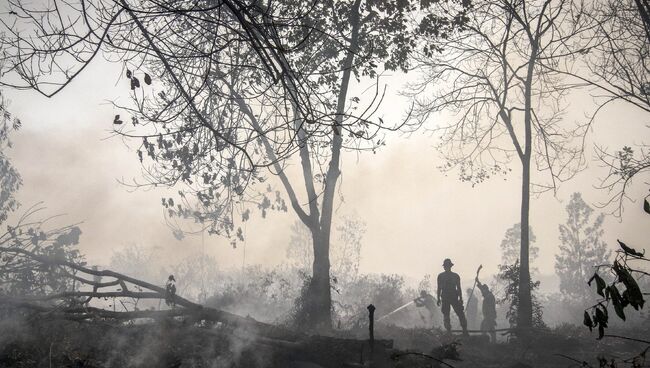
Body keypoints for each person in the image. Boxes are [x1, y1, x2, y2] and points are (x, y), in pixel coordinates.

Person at [437, 258, 468, 336]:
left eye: (447, 266)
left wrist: (460, 298)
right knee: (447, 315)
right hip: (448, 297)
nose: (446, 267)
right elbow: (439, 288)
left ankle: (464, 330)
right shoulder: (442, 276)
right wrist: (438, 298)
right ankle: (449, 331)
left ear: (449, 266)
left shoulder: (454, 276)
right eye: (446, 266)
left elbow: (459, 288)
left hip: (453, 297)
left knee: (459, 313)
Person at [476, 277, 497, 342]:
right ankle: (493, 342)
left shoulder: (489, 297)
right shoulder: (487, 294)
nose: (482, 294)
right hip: (488, 316)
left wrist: (489, 317)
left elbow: (490, 308)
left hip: (489, 316)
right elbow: (482, 289)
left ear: (486, 290)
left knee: (484, 329)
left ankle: (485, 342)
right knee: (490, 329)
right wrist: (478, 282)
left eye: (483, 291)